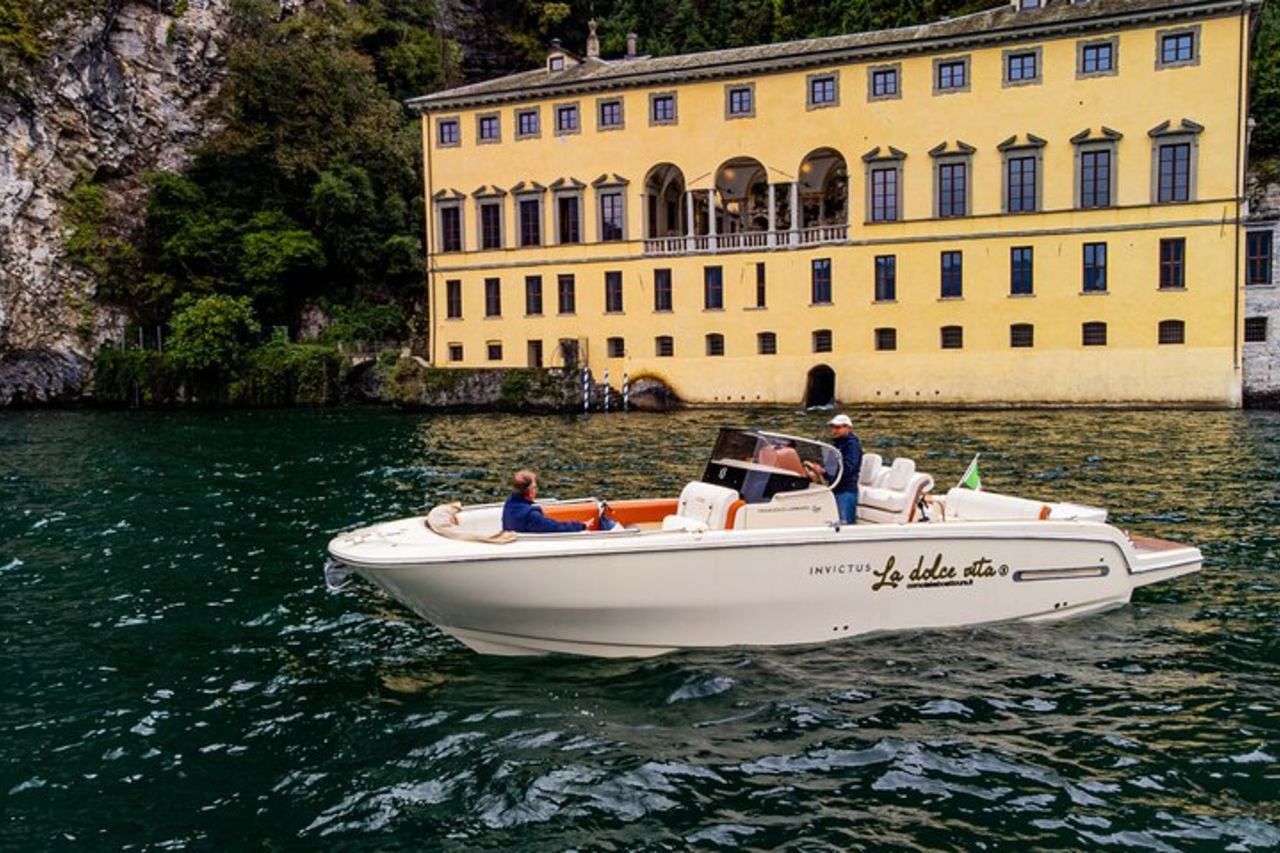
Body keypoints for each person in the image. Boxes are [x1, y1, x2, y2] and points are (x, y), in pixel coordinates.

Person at [501, 470, 616, 533]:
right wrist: (582, 525)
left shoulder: (510, 505)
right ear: (529, 491)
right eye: (534, 487)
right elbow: (555, 527)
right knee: (610, 525)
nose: (536, 490)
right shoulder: (530, 515)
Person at [825, 413, 863, 524]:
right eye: (832, 427)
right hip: (835, 488)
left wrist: (828, 472)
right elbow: (831, 467)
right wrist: (823, 472)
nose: (834, 430)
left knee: (845, 524)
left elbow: (849, 467)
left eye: (838, 427)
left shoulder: (852, 446)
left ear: (848, 428)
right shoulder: (836, 445)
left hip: (846, 490)